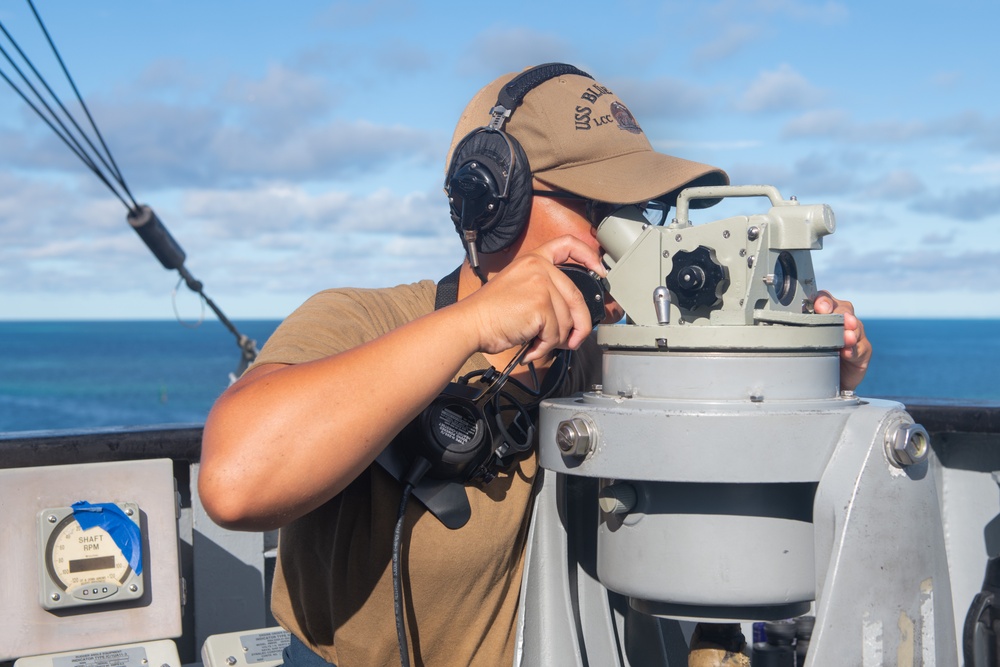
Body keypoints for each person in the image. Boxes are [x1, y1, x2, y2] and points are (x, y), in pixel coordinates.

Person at [199, 64, 871, 667]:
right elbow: (235, 481)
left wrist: (807, 375)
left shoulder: (624, 357)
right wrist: (474, 323)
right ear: (489, 200)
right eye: (598, 210)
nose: (624, 240)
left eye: (639, 212)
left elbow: (738, 521)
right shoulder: (363, 324)